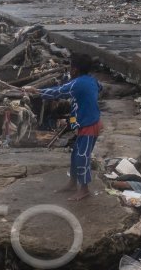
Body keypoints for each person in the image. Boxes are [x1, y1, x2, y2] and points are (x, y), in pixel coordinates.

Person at [23, 53, 102, 202]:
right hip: (88, 121)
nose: (69, 70)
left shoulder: (77, 84)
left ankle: (84, 189)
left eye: (71, 67)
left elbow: (57, 92)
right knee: (75, 154)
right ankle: (72, 183)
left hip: (89, 125)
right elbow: (100, 87)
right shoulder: (92, 81)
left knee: (82, 156)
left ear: (75, 70)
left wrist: (36, 91)